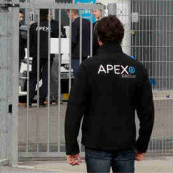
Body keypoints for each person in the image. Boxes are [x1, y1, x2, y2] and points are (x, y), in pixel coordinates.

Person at [65, 16, 155, 172]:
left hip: (96, 142)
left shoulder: (87, 68)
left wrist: (72, 147)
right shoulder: (136, 68)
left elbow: (74, 109)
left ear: (99, 39)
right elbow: (147, 111)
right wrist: (142, 144)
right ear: (121, 37)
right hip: (125, 143)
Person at [28, 9, 60, 107]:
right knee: (46, 78)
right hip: (48, 55)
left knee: (33, 77)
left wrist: (32, 53)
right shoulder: (52, 26)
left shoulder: (33, 26)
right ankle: (41, 100)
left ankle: (29, 100)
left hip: (36, 56)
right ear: (47, 15)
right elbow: (56, 40)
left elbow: (30, 41)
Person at [69, 9, 97, 74]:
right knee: (86, 74)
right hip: (87, 53)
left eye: (68, 14)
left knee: (78, 74)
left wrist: (69, 50)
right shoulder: (88, 22)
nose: (68, 16)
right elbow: (92, 36)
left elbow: (73, 40)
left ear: (72, 14)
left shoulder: (74, 23)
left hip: (76, 54)